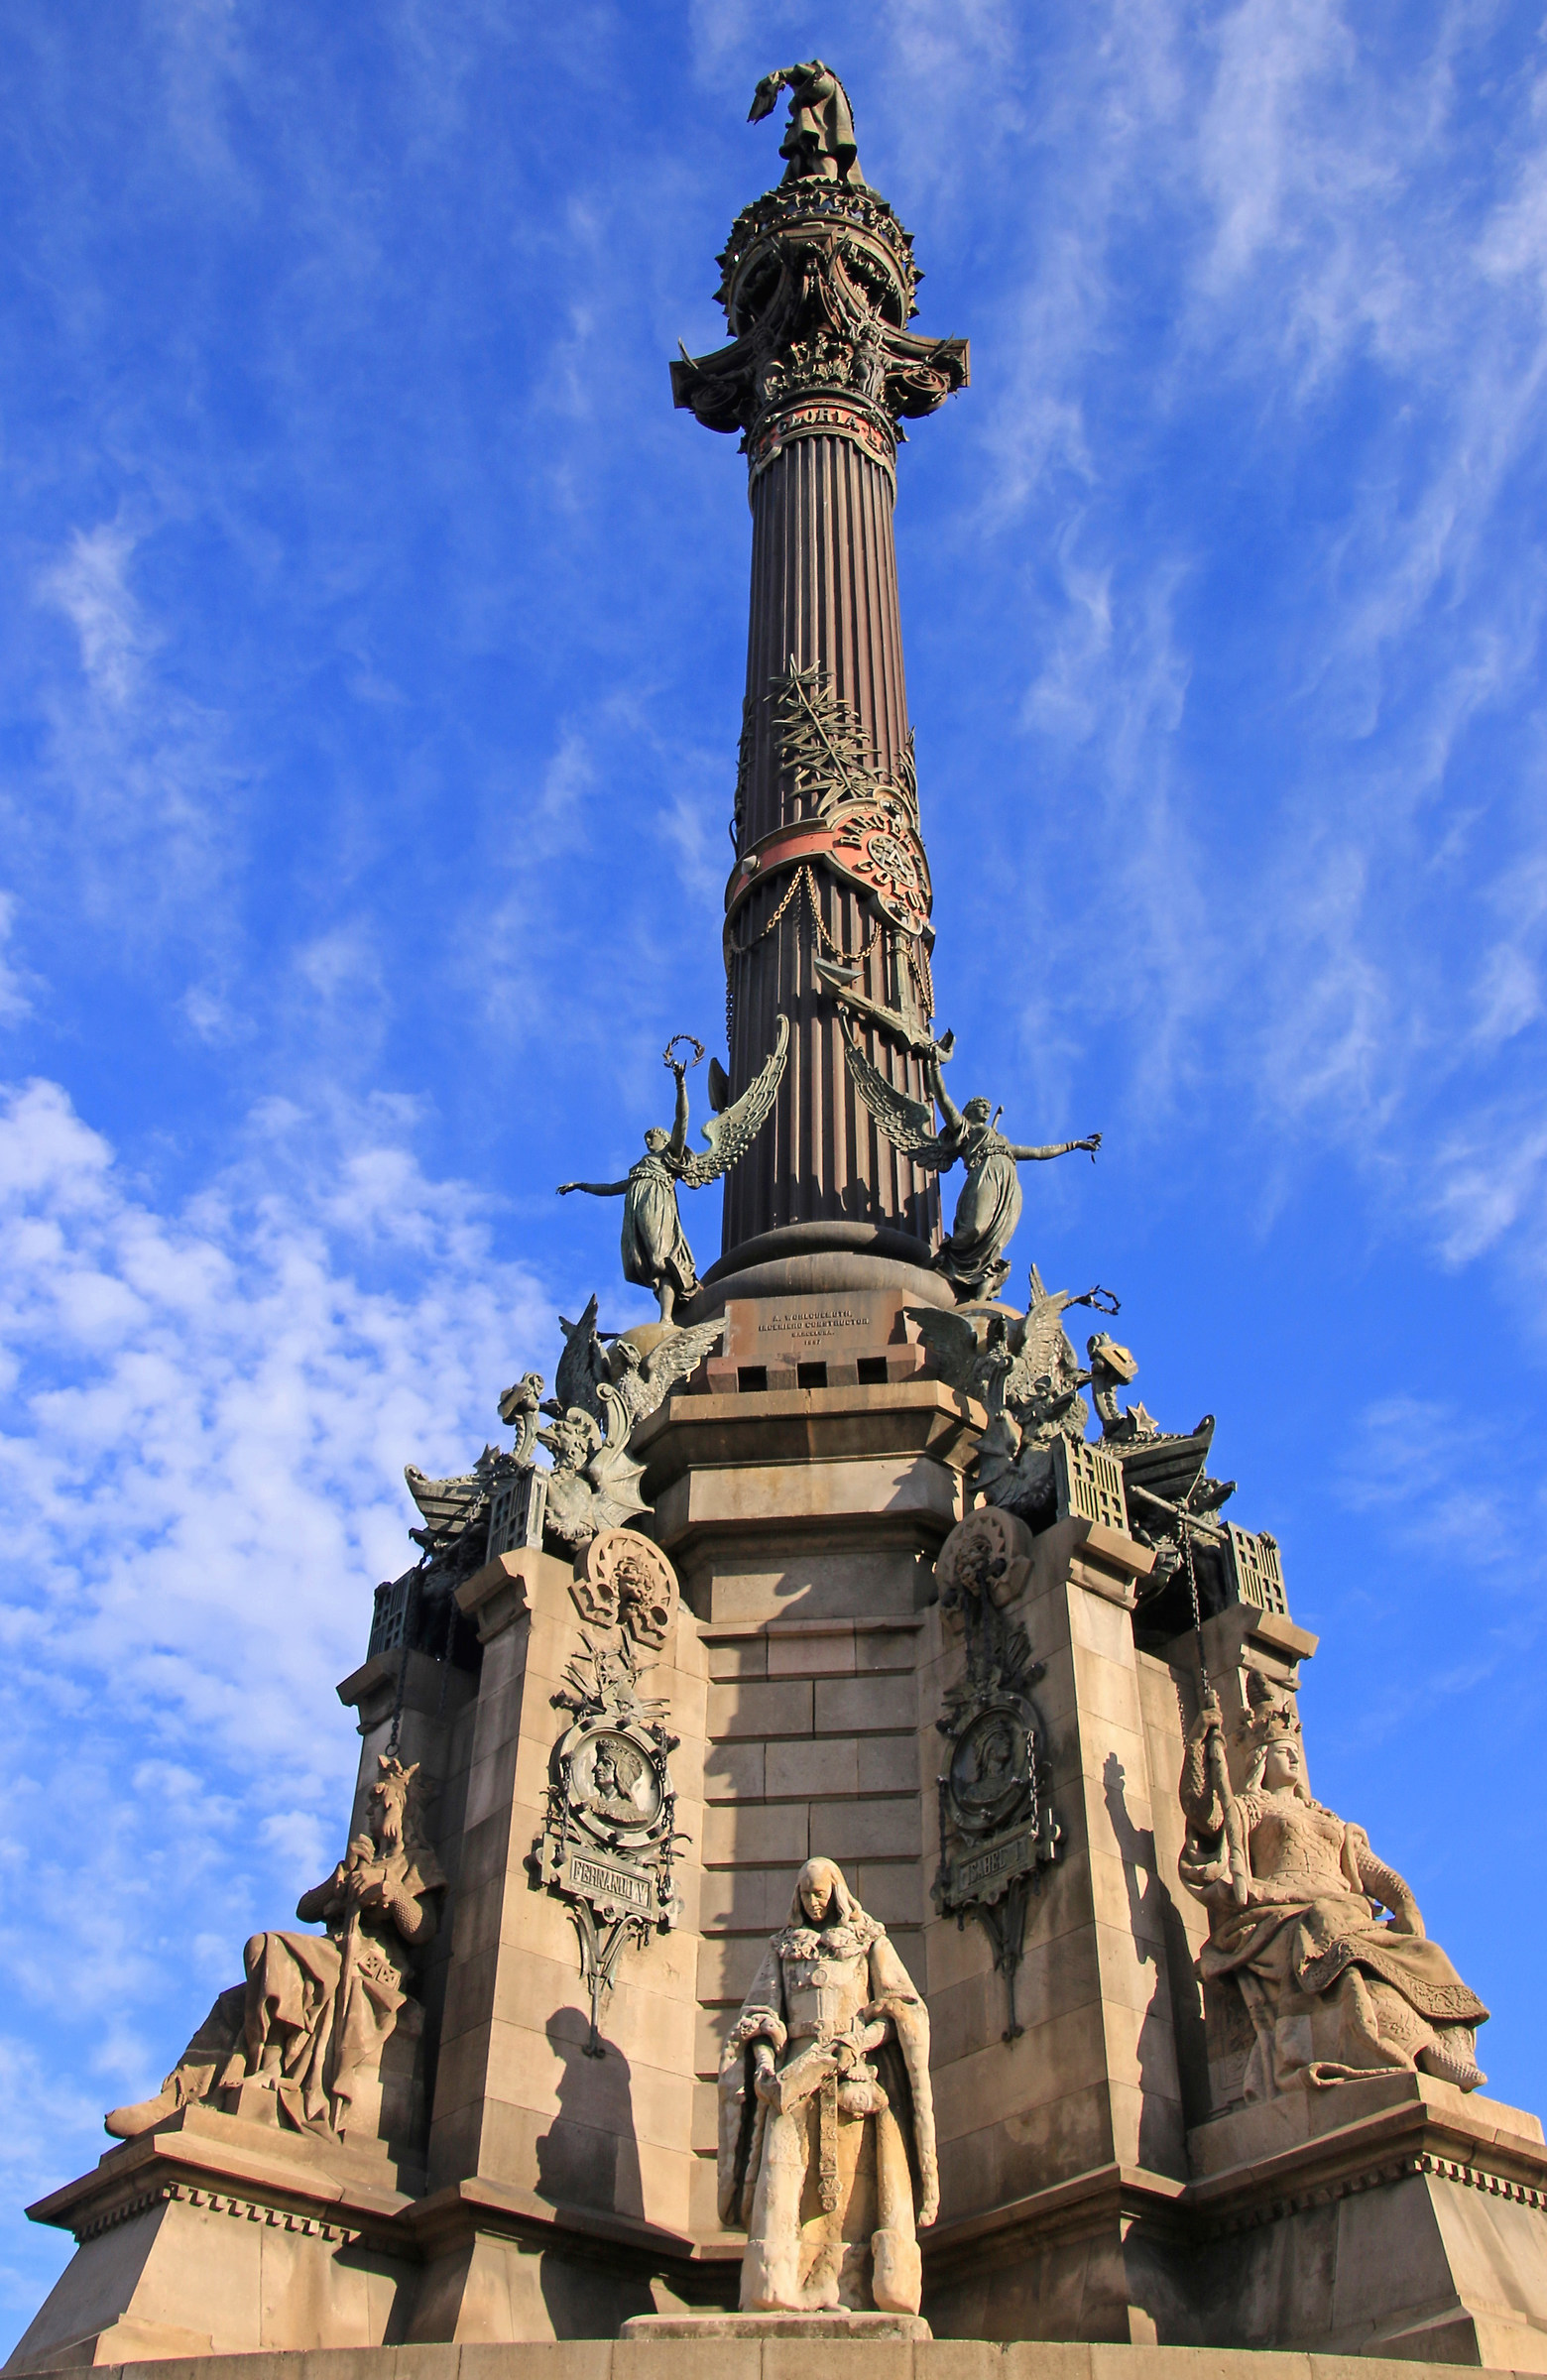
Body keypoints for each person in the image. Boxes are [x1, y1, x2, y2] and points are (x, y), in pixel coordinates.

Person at [105, 1756, 444, 2142]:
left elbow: (424, 1928)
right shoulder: (361, 1857)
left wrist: (393, 1891)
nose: (369, 1810)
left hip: (370, 1968)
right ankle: (180, 2095)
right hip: (329, 1955)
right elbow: (306, 1909)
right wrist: (337, 1882)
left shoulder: (417, 1863)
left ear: (401, 1807)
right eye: (369, 1803)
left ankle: (269, 2069)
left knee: (270, 1948)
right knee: (234, 2001)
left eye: (378, 1802)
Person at [1179, 1694, 1487, 2100]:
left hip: (1347, 1916)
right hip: (1283, 1917)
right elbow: (1206, 1817)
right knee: (1339, 1945)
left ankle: (1443, 2048)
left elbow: (1373, 1869)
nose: (1292, 1758)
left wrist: (1405, 1904)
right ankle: (1417, 2051)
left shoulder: (1328, 1818)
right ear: (1260, 1759)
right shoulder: (1251, 1809)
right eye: (1281, 1751)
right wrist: (1198, 1746)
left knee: (1427, 1954)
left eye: (1294, 1751)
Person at [717, 1857, 937, 2315]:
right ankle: (780, 2289)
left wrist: (859, 2042)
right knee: (782, 2183)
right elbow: (759, 2019)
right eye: (806, 1894)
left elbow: (902, 2009)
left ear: (836, 1892)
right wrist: (763, 2069)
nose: (814, 1903)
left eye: (820, 1893)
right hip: (795, 2082)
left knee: (855, 2197)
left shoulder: (868, 1940)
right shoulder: (782, 1948)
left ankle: (848, 2289)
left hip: (852, 2078)